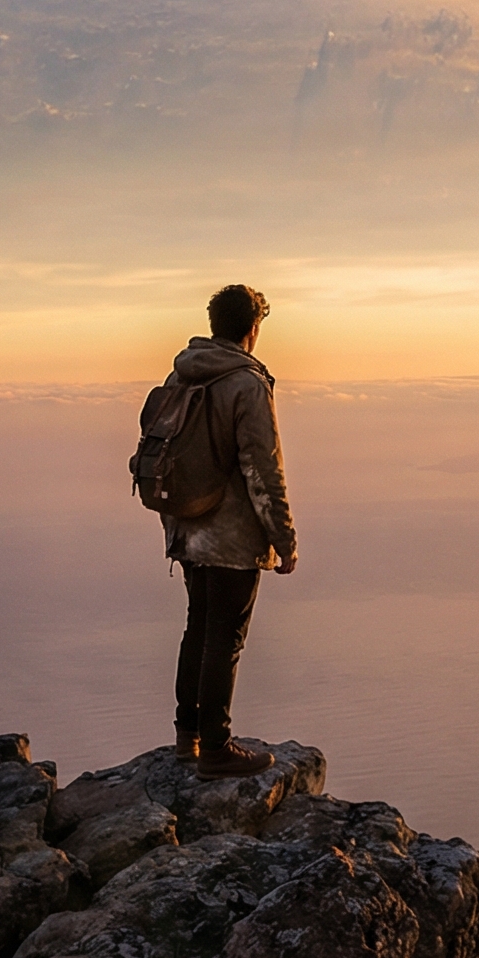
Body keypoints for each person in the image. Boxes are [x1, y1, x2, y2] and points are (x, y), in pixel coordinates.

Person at [163, 283, 298, 774]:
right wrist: (284, 539)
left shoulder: (182, 373)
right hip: (230, 535)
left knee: (198, 628)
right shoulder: (246, 383)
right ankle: (216, 749)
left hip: (186, 524)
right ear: (252, 328)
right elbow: (262, 469)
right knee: (225, 638)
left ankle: (188, 737)